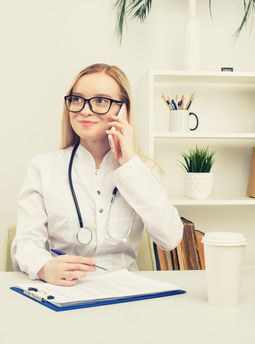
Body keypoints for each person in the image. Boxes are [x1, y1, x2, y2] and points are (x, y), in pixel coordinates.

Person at [11, 63, 183, 286]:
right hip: (67, 289)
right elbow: (26, 242)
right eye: (77, 99)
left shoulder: (142, 170)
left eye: (101, 100)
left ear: (123, 110)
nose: (84, 110)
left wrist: (129, 162)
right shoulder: (43, 167)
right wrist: (44, 267)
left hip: (127, 292)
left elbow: (170, 239)